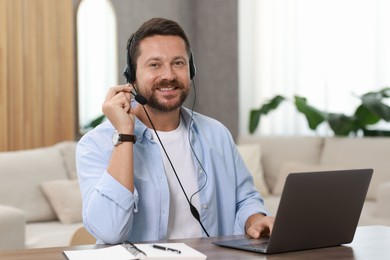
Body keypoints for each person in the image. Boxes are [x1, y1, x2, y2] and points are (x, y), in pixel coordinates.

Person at [76, 17, 274, 245]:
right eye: (154, 65)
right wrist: (125, 135)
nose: (168, 75)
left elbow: (244, 198)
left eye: (178, 63)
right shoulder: (96, 144)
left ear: (190, 69)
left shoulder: (216, 134)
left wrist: (255, 219)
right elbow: (109, 231)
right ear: (131, 76)